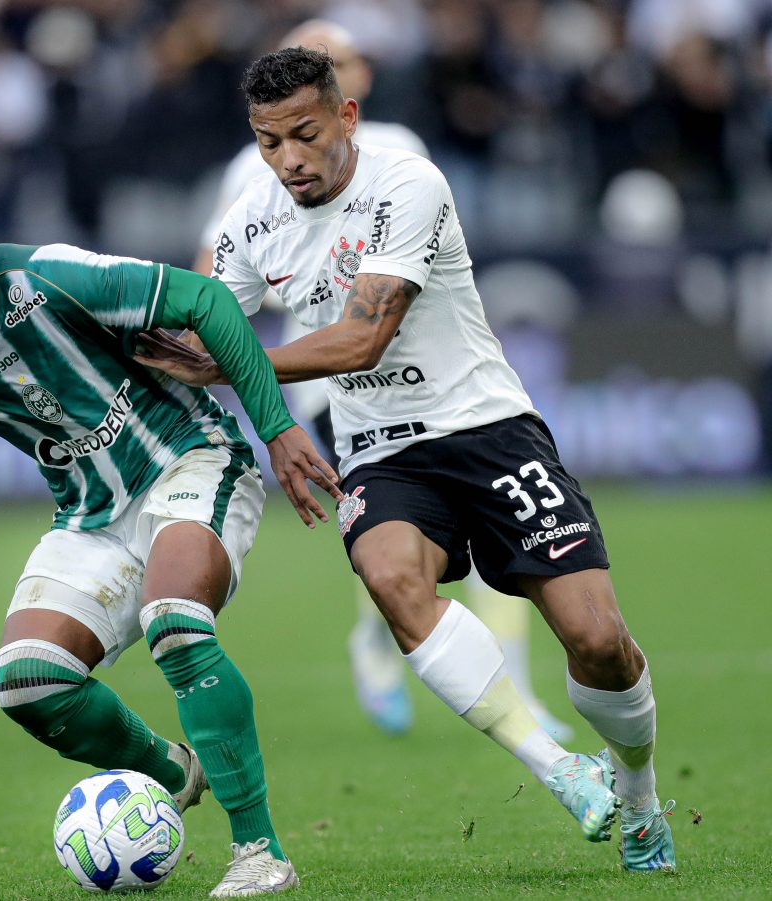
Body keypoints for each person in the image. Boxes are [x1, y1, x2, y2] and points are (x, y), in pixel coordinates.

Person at [136, 48, 676, 872]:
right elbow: (192, 326)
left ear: (346, 119)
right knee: (391, 578)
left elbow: (364, 336)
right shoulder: (250, 221)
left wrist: (232, 363)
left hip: (487, 427)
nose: (289, 160)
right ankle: (558, 768)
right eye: (268, 142)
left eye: (305, 135)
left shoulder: (407, 184)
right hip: (382, 451)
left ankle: (637, 796)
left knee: (598, 640)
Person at [0, 189, 343, 896]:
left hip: (191, 457)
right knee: (29, 681)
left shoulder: (52, 277)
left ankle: (260, 851)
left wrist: (275, 426)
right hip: (91, 514)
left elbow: (206, 302)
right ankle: (175, 772)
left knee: (175, 624)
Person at [193, 19, 573, 742]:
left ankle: (503, 684)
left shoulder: (406, 156)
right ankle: (394, 639)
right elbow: (217, 276)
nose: (286, 154)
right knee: (398, 530)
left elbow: (411, 261)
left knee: (480, 545)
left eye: (350, 57)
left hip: (432, 372)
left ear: (351, 90)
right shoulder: (257, 172)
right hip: (326, 384)